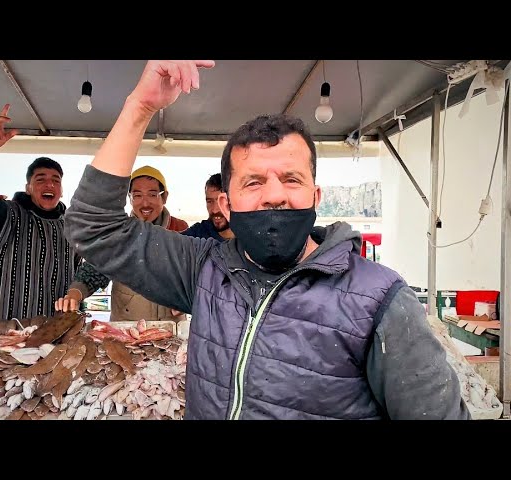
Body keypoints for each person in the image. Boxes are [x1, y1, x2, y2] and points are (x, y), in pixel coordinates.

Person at [63, 60, 469, 420]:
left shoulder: (379, 300)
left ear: (315, 195)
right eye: (253, 181)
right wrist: (140, 108)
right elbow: (93, 227)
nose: (274, 194)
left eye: (291, 179)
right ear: (226, 202)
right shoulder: (204, 270)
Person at [0, 105, 80, 325]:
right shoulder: (5, 215)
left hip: (53, 334)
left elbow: (79, 277)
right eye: (40, 179)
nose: (49, 184)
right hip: (2, 333)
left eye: (56, 180)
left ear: (61, 190)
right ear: (28, 188)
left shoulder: (73, 226)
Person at [55, 165, 187, 322]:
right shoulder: (117, 232)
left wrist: (187, 297)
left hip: (171, 328)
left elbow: (192, 275)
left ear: (164, 197)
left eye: (152, 195)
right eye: (137, 195)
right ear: (129, 198)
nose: (145, 203)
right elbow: (94, 271)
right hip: (126, 331)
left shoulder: (182, 230)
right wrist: (74, 295)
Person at [181, 173, 233, 241]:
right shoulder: (197, 235)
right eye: (209, 201)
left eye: (221, 201)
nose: (215, 210)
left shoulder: (249, 234)